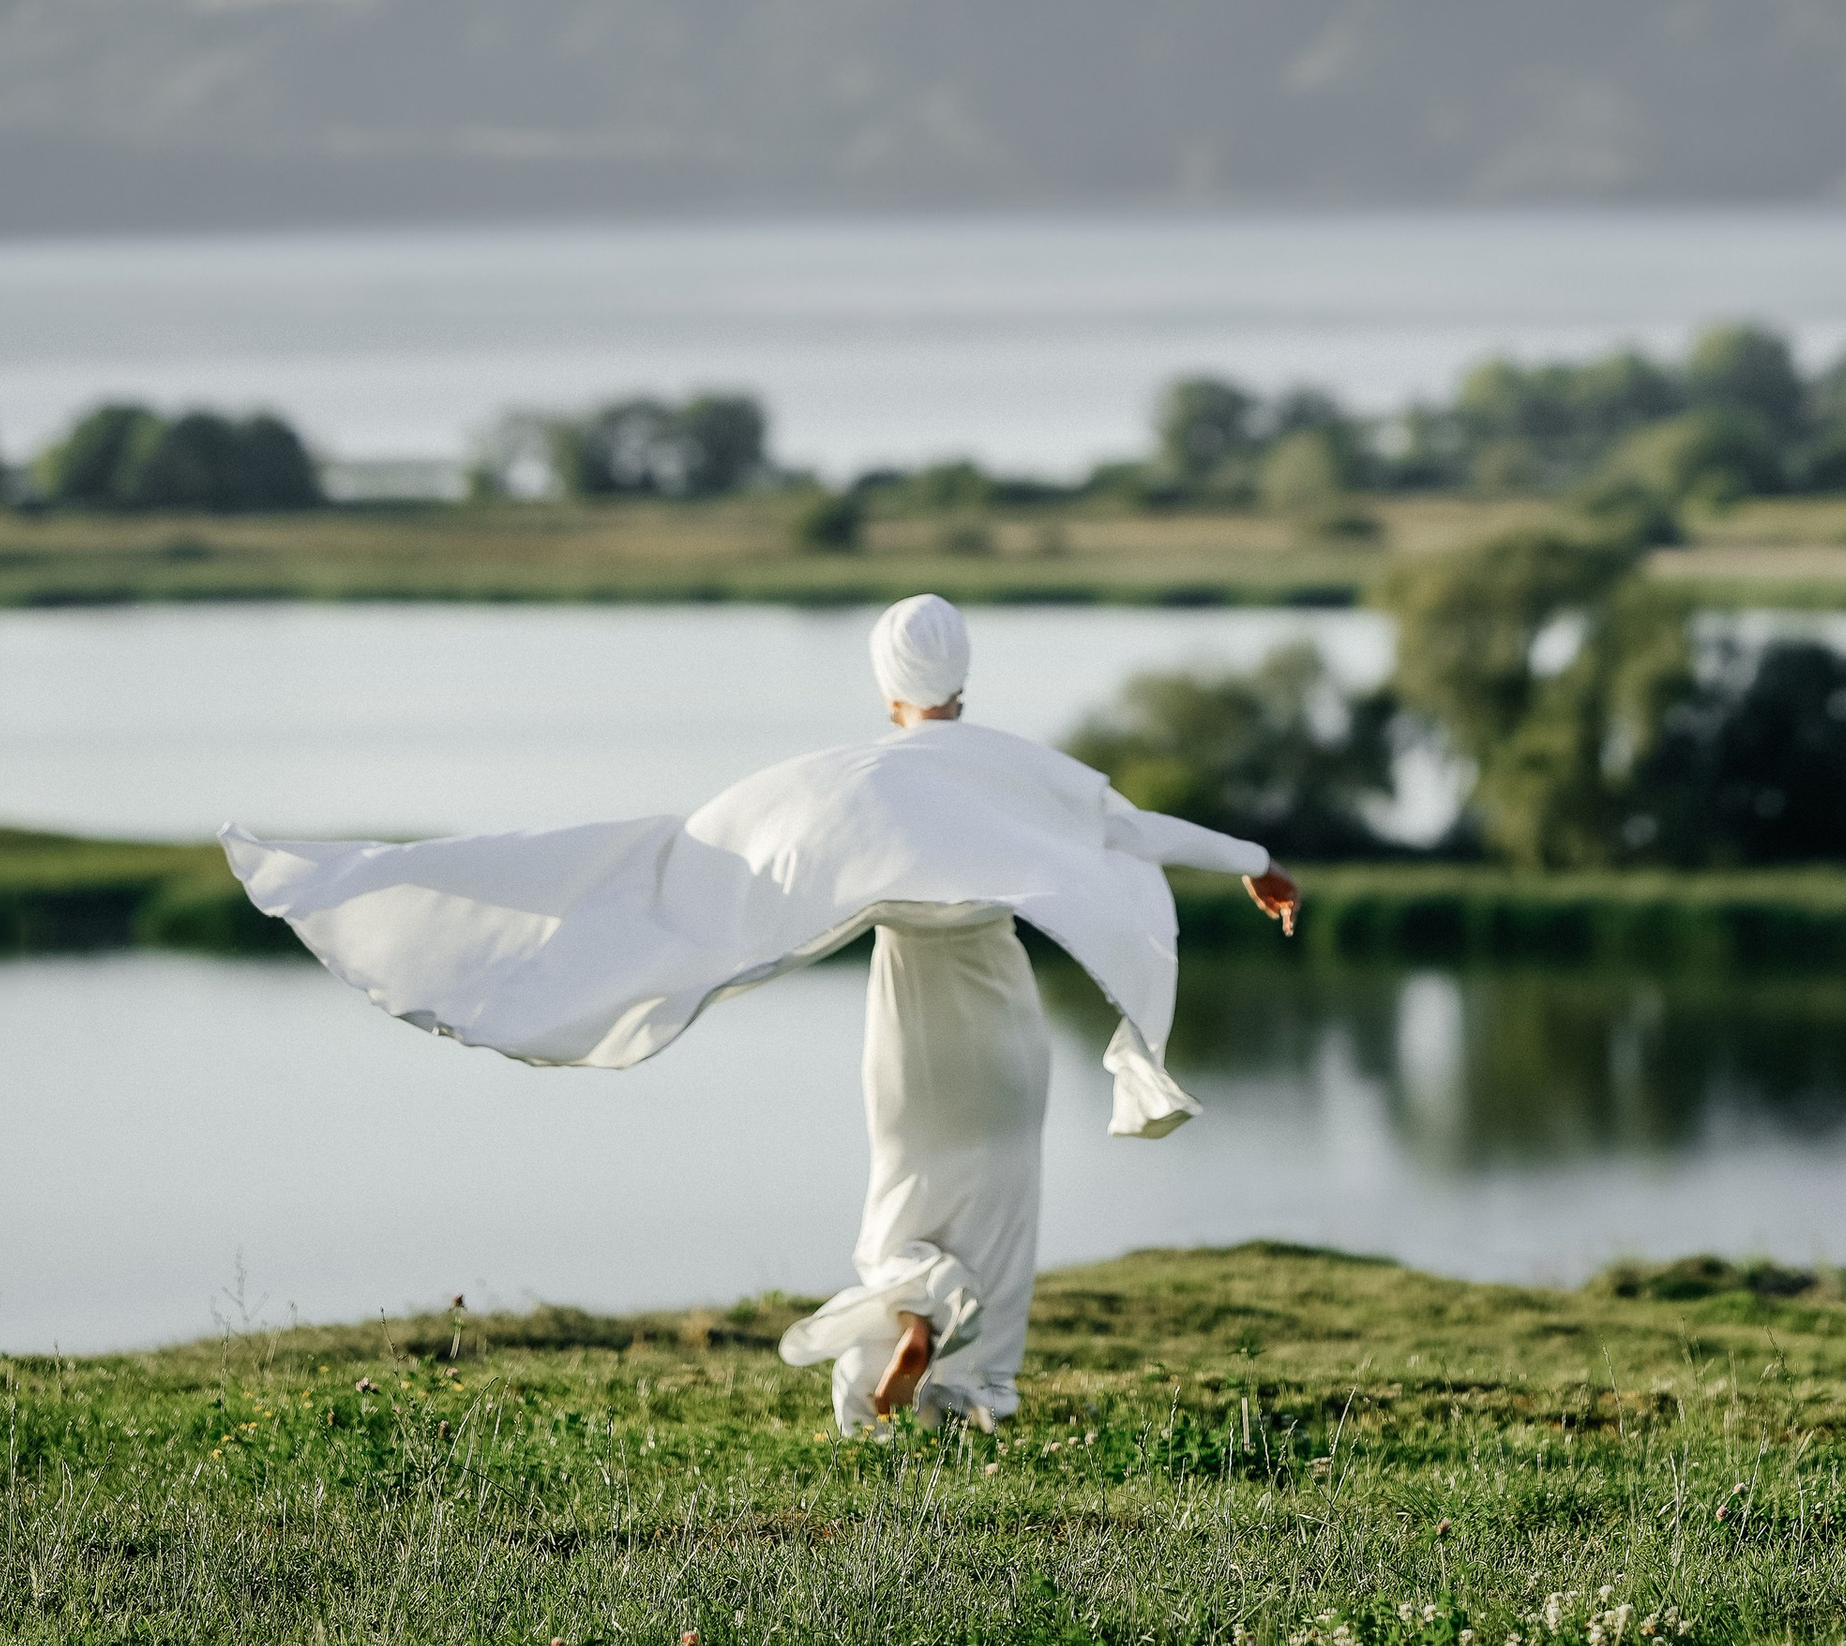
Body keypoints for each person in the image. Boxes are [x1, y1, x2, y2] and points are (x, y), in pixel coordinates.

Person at [223, 590, 1300, 1434]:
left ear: (889, 691)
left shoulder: (845, 782)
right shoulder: (1024, 771)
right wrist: (1257, 863)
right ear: (964, 683)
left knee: (906, 1189)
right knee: (1001, 1202)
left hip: (907, 1024)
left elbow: (710, 853)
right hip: (1000, 1020)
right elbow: (1141, 832)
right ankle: (974, 1402)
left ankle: (906, 1309)